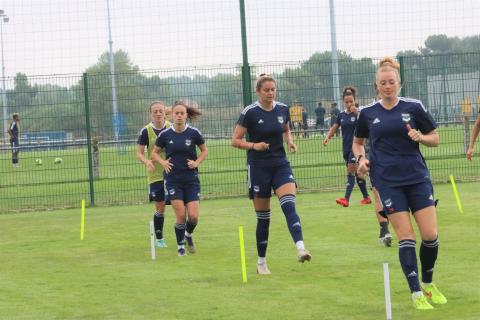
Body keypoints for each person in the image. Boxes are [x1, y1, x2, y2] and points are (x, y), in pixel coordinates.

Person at [352, 57, 446, 310]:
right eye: (383, 83)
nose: (387, 86)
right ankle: (415, 292)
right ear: (376, 85)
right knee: (406, 237)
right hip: (388, 182)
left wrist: (421, 137)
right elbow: (358, 142)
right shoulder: (368, 113)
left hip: (417, 178)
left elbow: (436, 138)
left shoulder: (414, 107)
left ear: (399, 83)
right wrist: (361, 159)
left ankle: (428, 284)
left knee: (430, 236)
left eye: (391, 82)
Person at [231, 74, 311, 275]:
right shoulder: (249, 113)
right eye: (266, 90)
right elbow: (235, 140)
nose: (270, 93)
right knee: (264, 218)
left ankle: (301, 248)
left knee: (289, 205)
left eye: (273, 89)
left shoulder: (282, 109)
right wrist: (254, 146)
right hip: (258, 168)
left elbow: (285, 128)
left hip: (280, 165)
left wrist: (289, 140)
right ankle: (261, 262)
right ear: (258, 91)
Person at [152, 101, 208, 257]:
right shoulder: (165, 134)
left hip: (191, 180)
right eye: (176, 113)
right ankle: (180, 246)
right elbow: (155, 153)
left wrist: (196, 162)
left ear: (186, 115)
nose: (179, 116)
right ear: (172, 115)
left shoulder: (194, 133)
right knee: (181, 215)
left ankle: (188, 234)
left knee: (194, 216)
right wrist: (163, 162)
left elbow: (204, 151)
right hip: (173, 180)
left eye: (182, 113)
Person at [323, 86, 371, 207]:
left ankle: (346, 199)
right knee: (358, 174)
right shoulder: (341, 115)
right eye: (346, 102)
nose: (349, 104)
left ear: (355, 101)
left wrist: (357, 112)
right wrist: (328, 137)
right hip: (346, 148)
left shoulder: (360, 113)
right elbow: (335, 127)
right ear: (343, 102)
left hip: (357, 148)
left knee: (350, 171)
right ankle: (366, 198)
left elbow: (367, 123)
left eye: (351, 101)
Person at [137, 101, 172, 248]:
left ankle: (183, 234)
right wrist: (147, 162)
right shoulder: (146, 131)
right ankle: (159, 238)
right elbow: (139, 153)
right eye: (155, 111)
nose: (158, 114)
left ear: (164, 112)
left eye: (160, 111)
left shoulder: (172, 127)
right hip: (156, 175)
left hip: (173, 173)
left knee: (179, 205)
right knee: (161, 207)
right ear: (150, 113)